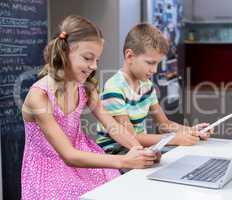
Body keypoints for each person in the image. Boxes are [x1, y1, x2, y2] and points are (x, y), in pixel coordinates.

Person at [21, 15, 157, 199]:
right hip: (51, 167)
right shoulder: (40, 96)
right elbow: (68, 155)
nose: (93, 66)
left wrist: (140, 151)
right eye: (87, 58)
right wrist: (125, 160)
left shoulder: (86, 88)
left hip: (84, 158)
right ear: (64, 52)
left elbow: (114, 127)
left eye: (97, 61)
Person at [97, 23, 212, 153]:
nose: (154, 70)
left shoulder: (147, 85)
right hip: (116, 154)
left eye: (157, 63)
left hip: (139, 150)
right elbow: (130, 138)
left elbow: (164, 124)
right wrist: (173, 139)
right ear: (129, 56)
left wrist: (192, 131)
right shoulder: (114, 88)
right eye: (150, 63)